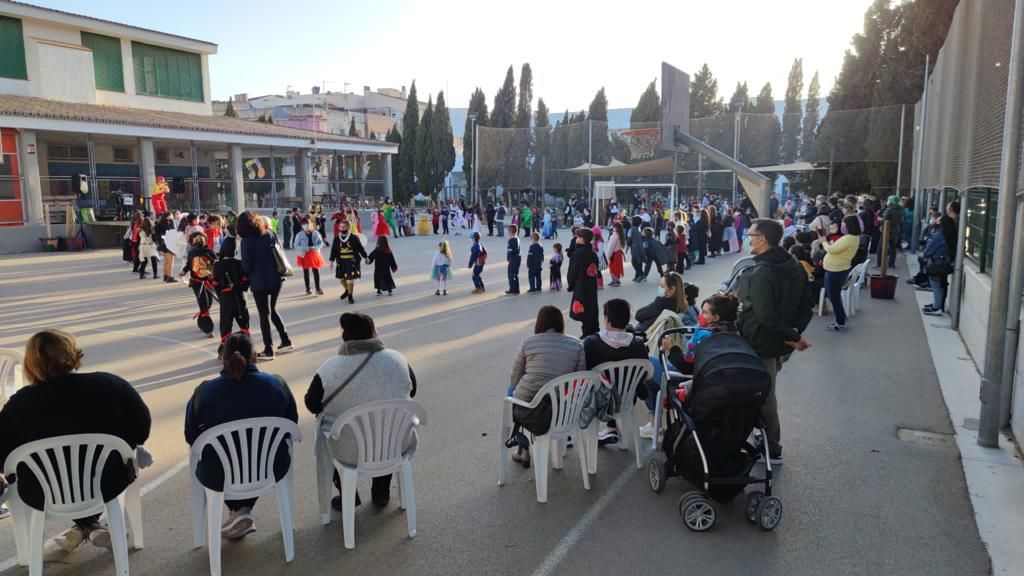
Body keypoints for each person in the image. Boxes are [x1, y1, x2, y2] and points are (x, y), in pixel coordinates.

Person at [0, 329, 151, 552]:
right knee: (105, 467)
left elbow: (3, 458)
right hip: (106, 482)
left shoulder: (16, 407)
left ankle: (85, 525)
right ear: (72, 355)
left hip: (42, 492)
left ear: (30, 364)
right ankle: (89, 523)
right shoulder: (111, 386)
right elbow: (140, 429)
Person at [185, 333, 297, 540]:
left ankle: (239, 509)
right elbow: (291, 425)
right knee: (256, 452)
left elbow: (191, 437)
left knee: (215, 455)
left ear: (223, 359)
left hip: (219, 475)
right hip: (271, 466)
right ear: (255, 356)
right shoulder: (276, 384)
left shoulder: (203, 392)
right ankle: (242, 509)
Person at [305, 312, 417, 507]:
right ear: (374, 333)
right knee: (384, 427)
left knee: (326, 431)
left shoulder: (329, 368)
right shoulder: (398, 359)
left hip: (349, 450)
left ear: (344, 337)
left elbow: (312, 404)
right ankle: (381, 491)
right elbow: (412, 391)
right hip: (395, 444)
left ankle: (348, 494)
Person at [735, 219, 814, 465]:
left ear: (762, 239)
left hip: (762, 344)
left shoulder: (761, 274)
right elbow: (806, 304)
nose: (748, 238)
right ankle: (763, 438)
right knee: (765, 390)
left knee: (764, 394)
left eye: (751, 234)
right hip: (780, 343)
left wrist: (793, 337)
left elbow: (765, 316)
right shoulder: (793, 264)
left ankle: (772, 447)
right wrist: (793, 333)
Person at [507, 306, 587, 466]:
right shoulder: (577, 345)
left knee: (512, 391)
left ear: (539, 323)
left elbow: (515, 377)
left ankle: (524, 449)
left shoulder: (528, 342)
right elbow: (580, 379)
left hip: (531, 408)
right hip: (563, 410)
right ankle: (563, 438)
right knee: (526, 393)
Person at [581, 298, 649, 444]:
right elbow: (644, 375)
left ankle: (606, 429)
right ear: (627, 320)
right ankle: (611, 428)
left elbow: (584, 372)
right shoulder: (638, 345)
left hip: (599, 401)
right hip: (627, 399)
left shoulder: (591, 343)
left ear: (606, 319)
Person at [238, 210, 293, 360]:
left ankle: (269, 349)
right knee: (273, 310)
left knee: (264, 315)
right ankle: (285, 339)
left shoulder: (246, 242)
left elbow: (247, 266)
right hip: (276, 278)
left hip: (259, 281)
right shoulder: (269, 234)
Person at [821, 215, 861, 332]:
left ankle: (840, 322)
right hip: (836, 269)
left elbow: (831, 249)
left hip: (836, 270)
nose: (842, 226)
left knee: (834, 296)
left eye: (843, 223)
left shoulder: (849, 238)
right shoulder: (853, 237)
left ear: (849, 225)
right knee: (833, 295)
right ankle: (841, 316)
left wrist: (824, 241)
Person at [212, 236, 251, 358]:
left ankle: (225, 352)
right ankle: (247, 350)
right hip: (240, 297)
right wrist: (238, 287)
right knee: (243, 322)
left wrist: (222, 296)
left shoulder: (217, 265)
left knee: (226, 324)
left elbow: (216, 285)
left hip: (226, 298)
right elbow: (246, 283)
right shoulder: (240, 264)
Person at [181, 231, 217, 338]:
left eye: (201, 239)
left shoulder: (210, 252)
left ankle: (201, 321)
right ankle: (208, 328)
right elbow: (189, 265)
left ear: (205, 240)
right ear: (192, 242)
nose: (199, 241)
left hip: (209, 282)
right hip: (196, 282)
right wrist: (184, 271)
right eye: (196, 240)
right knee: (203, 302)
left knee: (209, 303)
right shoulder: (192, 253)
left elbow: (216, 263)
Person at [568, 227, 600, 337]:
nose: (576, 239)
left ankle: (586, 333)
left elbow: (573, 272)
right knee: (591, 308)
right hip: (591, 286)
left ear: (582, 239)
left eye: (578, 237)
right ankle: (591, 330)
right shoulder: (592, 253)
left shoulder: (577, 254)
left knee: (583, 309)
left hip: (581, 285)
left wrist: (570, 285)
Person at [922, 214, 952, 316]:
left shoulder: (938, 236)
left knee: (936, 285)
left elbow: (927, 251)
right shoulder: (948, 235)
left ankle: (937, 306)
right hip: (943, 263)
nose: (935, 222)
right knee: (940, 285)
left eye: (937, 220)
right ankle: (937, 304)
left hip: (937, 263)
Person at [293, 217, 326, 296]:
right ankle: (308, 288)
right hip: (304, 254)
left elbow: (321, 243)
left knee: (316, 271)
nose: (306, 226)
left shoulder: (316, 233)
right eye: (304, 224)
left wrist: (314, 247)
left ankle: (318, 289)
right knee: (306, 272)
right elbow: (296, 245)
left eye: (307, 224)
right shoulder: (299, 234)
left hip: (314, 254)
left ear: (311, 224)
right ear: (302, 226)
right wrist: (305, 248)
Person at [606, 222, 626, 287]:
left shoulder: (614, 236)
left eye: (613, 227)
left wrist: (608, 255)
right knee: (617, 267)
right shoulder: (620, 235)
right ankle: (616, 280)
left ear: (616, 228)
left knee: (613, 268)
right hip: (618, 253)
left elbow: (611, 247)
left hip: (614, 254)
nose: (612, 228)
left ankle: (615, 281)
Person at [505, 224, 522, 295]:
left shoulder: (511, 240)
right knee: (515, 274)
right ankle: (516, 289)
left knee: (511, 274)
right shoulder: (517, 238)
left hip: (513, 258)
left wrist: (508, 258)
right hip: (518, 257)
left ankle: (512, 289)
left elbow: (510, 250)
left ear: (509, 231)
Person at [628, 216, 645, 281]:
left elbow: (629, 239)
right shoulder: (639, 228)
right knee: (639, 261)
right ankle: (637, 275)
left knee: (634, 262)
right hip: (640, 246)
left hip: (634, 247)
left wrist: (627, 245)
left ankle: (641, 274)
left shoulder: (631, 229)